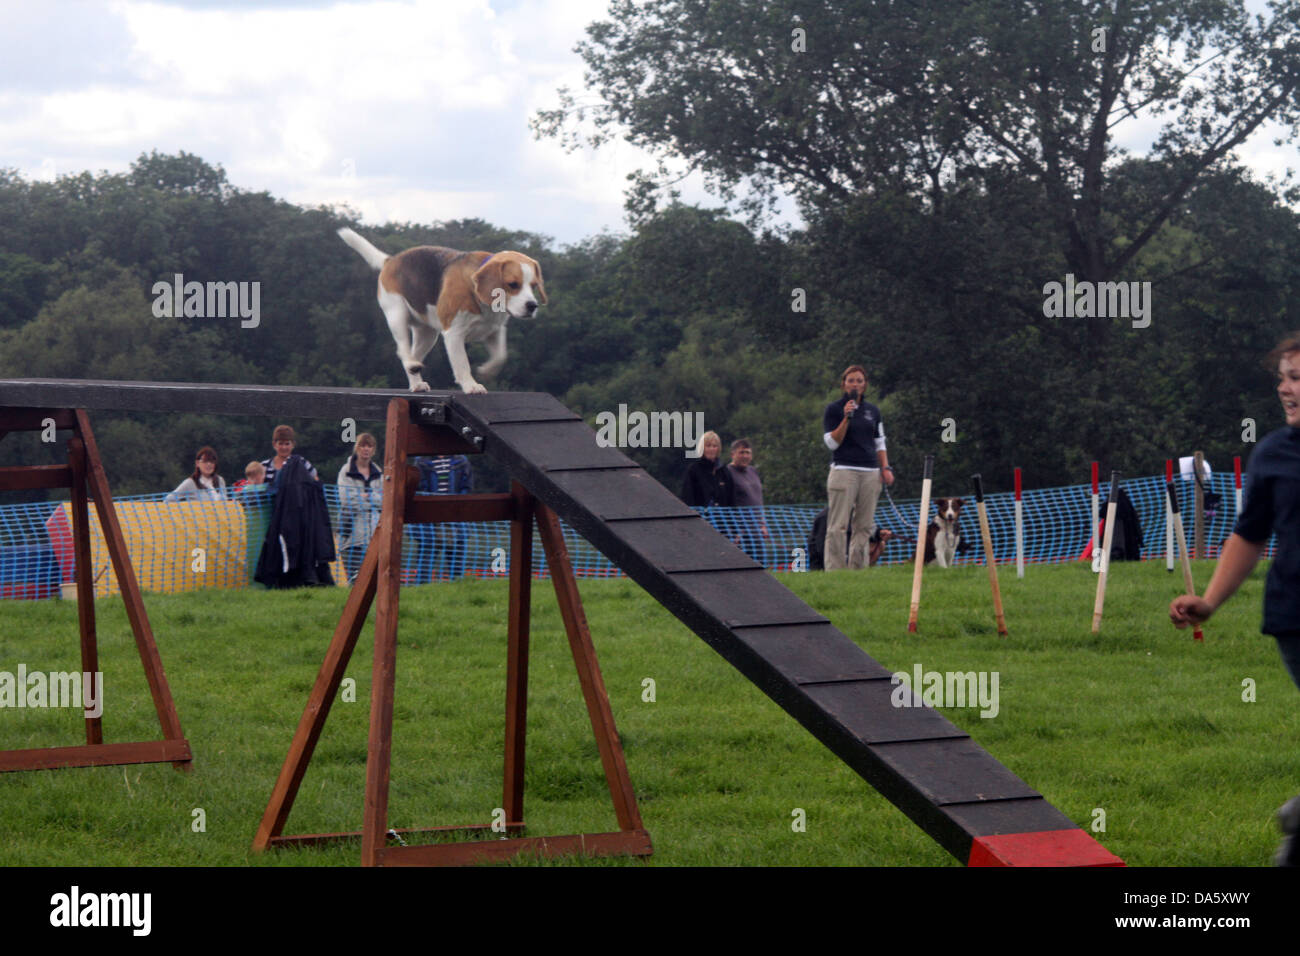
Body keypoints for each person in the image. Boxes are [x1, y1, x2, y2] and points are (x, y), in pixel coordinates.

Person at [1170, 331, 1300, 866]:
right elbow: (1249, 534)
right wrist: (1210, 601)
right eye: (1283, 378)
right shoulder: (1274, 452)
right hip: (1298, 615)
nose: (1285, 388)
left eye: (1297, 378)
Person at [822, 365, 894, 570]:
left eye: (859, 381)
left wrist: (885, 467)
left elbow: (880, 442)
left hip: (870, 472)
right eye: (851, 380)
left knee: (863, 526)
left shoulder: (873, 411)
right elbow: (832, 443)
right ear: (844, 384)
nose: (855, 384)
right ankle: (835, 570)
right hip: (843, 470)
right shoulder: (834, 409)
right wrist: (846, 417)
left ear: (865, 384)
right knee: (838, 525)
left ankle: (858, 569)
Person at [337, 434, 383, 583]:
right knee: (355, 580)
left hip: (373, 536)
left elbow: (384, 501)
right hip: (352, 536)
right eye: (363, 445)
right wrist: (371, 498)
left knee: (373, 580)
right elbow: (346, 500)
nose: (366, 449)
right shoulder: (345, 471)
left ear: (373, 450)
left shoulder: (379, 473)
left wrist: (366, 496)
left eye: (369, 446)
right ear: (357, 447)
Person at [726, 438, 769, 565]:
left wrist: (763, 524)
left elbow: (758, 499)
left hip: (757, 529)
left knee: (760, 565)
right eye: (741, 452)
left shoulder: (753, 471)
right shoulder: (727, 473)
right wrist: (734, 531)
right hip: (740, 531)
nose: (745, 456)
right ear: (732, 454)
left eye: (748, 453)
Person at [681, 431, 734, 507]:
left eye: (714, 446)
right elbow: (687, 497)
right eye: (708, 446)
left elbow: (731, 499)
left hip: (723, 516)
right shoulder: (693, 470)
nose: (711, 449)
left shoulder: (724, 471)